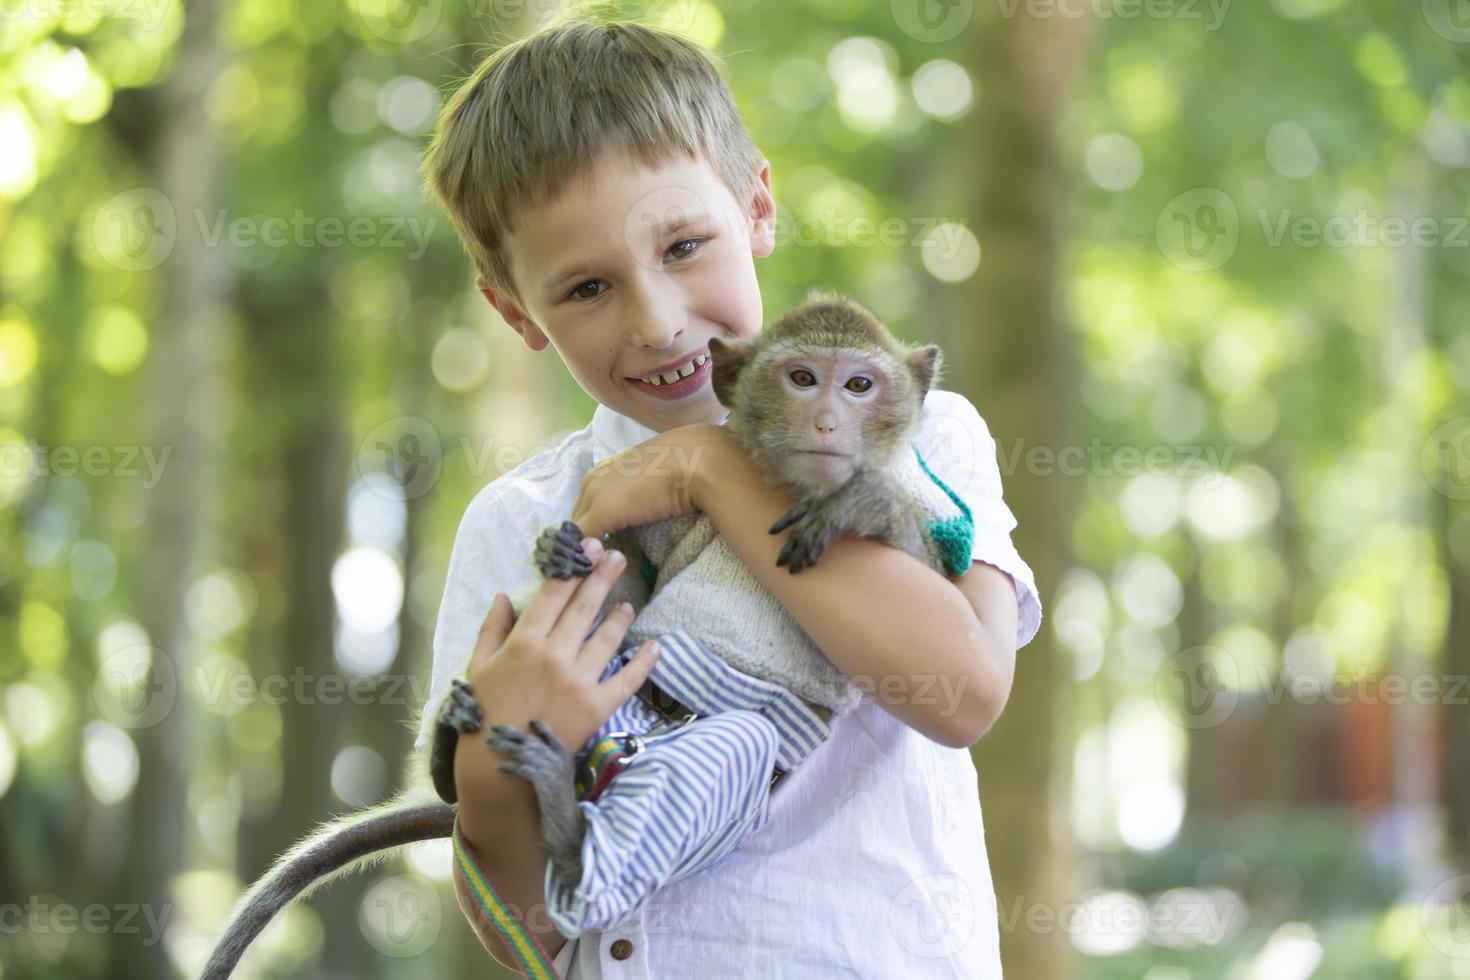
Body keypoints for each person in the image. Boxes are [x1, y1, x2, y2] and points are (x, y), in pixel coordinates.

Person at [416, 17, 1043, 978]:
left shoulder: (913, 431)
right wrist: (498, 766)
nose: (660, 324)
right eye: (586, 288)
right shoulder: (522, 521)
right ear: (514, 311)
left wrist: (704, 468)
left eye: (683, 246)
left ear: (756, 207)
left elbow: (960, 691)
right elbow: (524, 938)